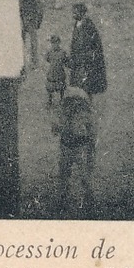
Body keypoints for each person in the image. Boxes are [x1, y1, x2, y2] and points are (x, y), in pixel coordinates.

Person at [53, 86, 96, 214]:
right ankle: (88, 199)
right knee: (80, 174)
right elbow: (91, 132)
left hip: (69, 145)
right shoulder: (84, 115)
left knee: (66, 174)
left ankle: (64, 199)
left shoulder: (66, 113)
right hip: (79, 145)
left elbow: (56, 129)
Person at [69, 3, 107, 100]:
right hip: (78, 56)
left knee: (87, 80)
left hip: (86, 57)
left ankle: (88, 99)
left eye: (75, 13)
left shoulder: (88, 25)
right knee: (79, 79)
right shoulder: (77, 24)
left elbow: (93, 43)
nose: (73, 15)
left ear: (82, 13)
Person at [18, 0, 45, 67]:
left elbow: (41, 4)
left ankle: (34, 62)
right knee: (21, 40)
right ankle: (20, 61)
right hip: (20, 17)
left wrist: (39, 19)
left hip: (31, 17)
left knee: (33, 41)